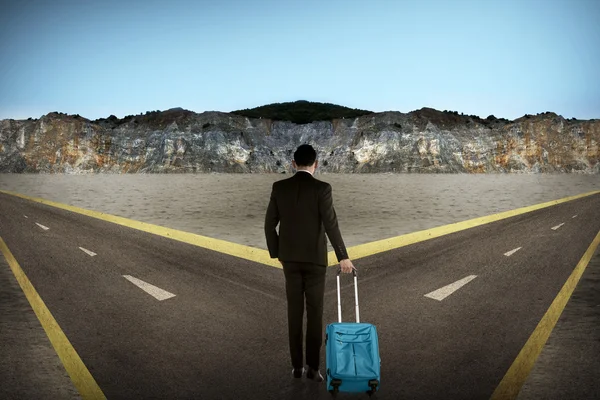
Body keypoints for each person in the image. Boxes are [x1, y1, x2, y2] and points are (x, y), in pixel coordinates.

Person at [264, 144, 356, 383]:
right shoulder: (322, 189)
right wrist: (342, 256)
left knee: (294, 313)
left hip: (289, 260)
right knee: (315, 314)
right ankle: (313, 368)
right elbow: (330, 224)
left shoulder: (279, 187)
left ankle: (296, 368)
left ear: (293, 164)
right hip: (315, 261)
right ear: (316, 164)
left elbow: (268, 225)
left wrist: (278, 252)